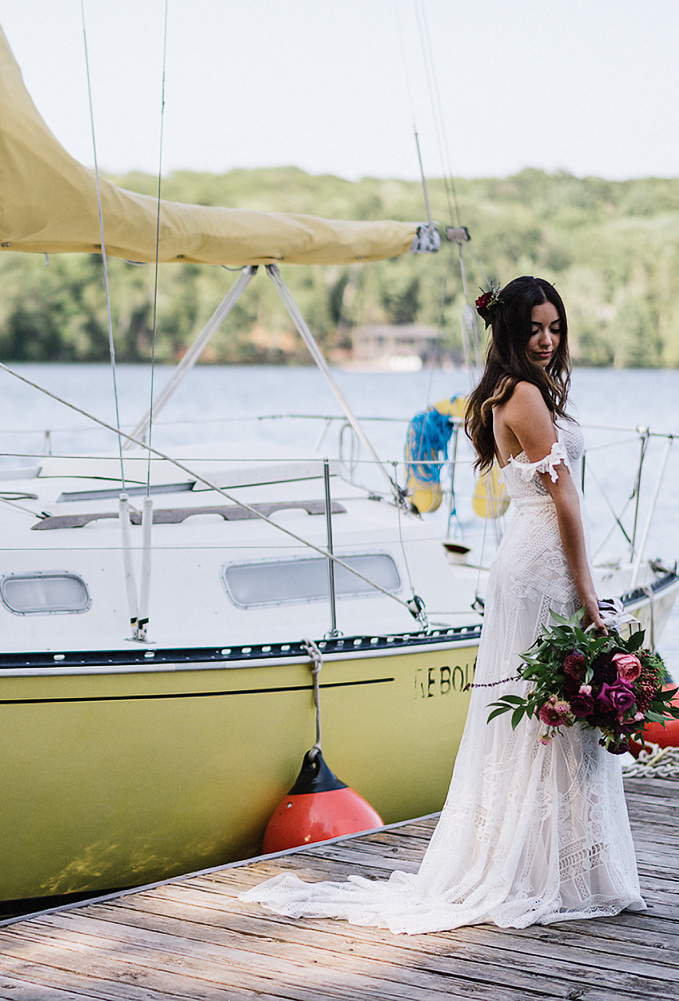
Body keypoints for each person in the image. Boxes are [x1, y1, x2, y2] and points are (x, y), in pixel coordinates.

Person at [240, 276, 646, 934]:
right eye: (535, 328)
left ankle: (557, 867)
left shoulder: (506, 393)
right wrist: (590, 590)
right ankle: (543, 871)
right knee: (550, 712)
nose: (547, 340)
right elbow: (566, 500)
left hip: (531, 558)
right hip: (545, 568)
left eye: (556, 328)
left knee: (547, 713)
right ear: (509, 331)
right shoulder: (525, 395)